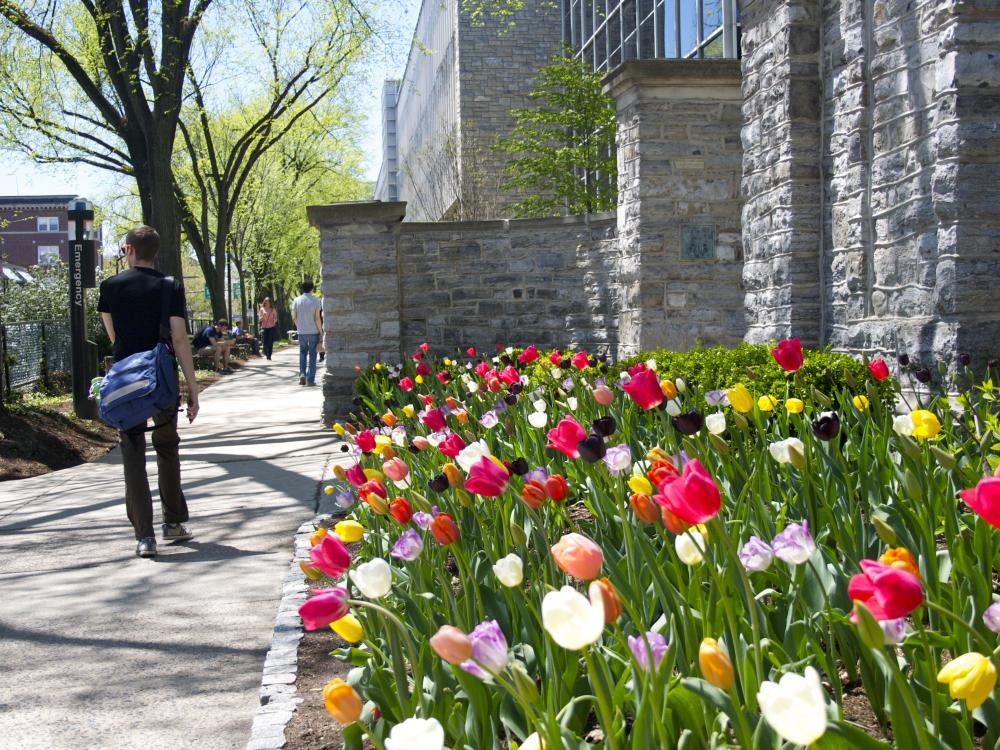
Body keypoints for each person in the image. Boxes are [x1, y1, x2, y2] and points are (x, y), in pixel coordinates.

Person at [98, 225, 199, 559]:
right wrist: (192, 388)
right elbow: (180, 338)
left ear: (128, 249)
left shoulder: (110, 286)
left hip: (127, 379)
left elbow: (114, 336)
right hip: (162, 377)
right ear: (155, 251)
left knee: (132, 453)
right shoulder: (169, 286)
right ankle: (173, 523)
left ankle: (144, 536)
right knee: (167, 446)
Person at [291, 280, 322, 386]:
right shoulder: (316, 300)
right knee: (313, 354)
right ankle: (310, 379)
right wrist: (321, 331)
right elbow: (317, 318)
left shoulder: (296, 300)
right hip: (313, 331)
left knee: (303, 352)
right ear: (312, 289)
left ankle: (302, 373)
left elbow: (294, 316)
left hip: (301, 331)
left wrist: (298, 325)